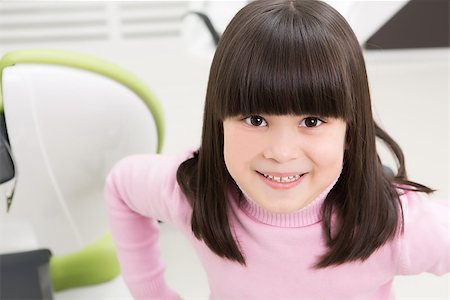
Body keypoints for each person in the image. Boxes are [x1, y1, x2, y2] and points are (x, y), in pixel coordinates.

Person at [105, 0, 449, 299]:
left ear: (350, 128)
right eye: (255, 120)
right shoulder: (193, 192)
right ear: (218, 121)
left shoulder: (396, 226)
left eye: (312, 122)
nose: (281, 153)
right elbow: (121, 186)